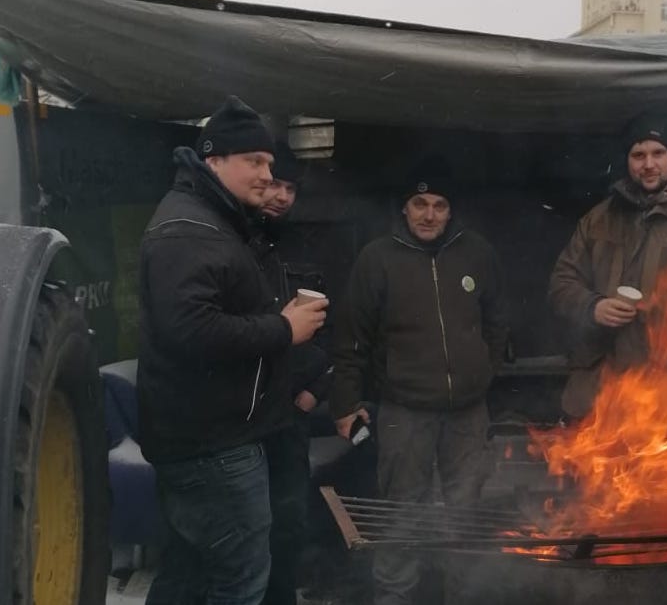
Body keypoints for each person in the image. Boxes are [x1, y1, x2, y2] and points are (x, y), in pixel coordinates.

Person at [137, 96, 328, 605]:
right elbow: (191, 332)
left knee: (194, 570)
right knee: (239, 580)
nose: (267, 175)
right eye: (255, 162)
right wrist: (284, 328)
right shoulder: (190, 230)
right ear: (213, 159)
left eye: (270, 163)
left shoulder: (216, 220)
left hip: (214, 436)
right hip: (212, 444)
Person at [330, 157, 509, 605]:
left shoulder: (477, 252)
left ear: (452, 211)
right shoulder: (377, 258)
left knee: (466, 515)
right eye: (420, 203)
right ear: (404, 209)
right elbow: (352, 337)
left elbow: (498, 321)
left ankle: (463, 598)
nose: (429, 214)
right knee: (400, 517)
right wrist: (346, 403)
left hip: (467, 412)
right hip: (403, 413)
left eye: (440, 205)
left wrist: (483, 370)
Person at [548, 115, 667, 418]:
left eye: (658, 153)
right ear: (627, 162)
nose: (648, 164)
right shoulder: (598, 220)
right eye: (638, 155)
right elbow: (561, 283)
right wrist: (592, 307)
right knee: (603, 465)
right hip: (605, 391)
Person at [251, 143, 333, 605]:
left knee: (289, 522)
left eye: (290, 188)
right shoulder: (239, 242)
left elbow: (331, 329)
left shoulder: (304, 245)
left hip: (291, 415)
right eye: (274, 184)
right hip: (246, 413)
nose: (282, 196)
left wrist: (314, 391)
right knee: (249, 527)